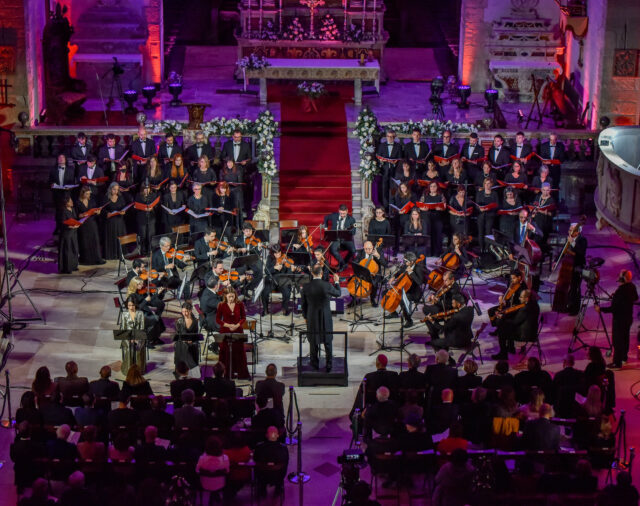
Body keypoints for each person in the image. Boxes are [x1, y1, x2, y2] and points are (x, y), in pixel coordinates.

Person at [595, 269, 638, 368]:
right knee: (625, 338)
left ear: (623, 279)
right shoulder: (631, 287)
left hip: (619, 320)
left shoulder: (620, 291)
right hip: (628, 318)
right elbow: (635, 298)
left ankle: (616, 363)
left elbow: (613, 309)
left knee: (617, 341)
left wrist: (600, 309)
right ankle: (624, 358)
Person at [301, 265, 342, 372]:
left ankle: (314, 364)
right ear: (321, 273)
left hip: (312, 317)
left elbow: (303, 305)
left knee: (313, 341)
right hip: (326, 317)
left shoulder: (306, 287)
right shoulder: (327, 285)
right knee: (327, 341)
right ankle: (329, 365)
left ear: (312, 273)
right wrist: (337, 282)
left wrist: (306, 317)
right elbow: (338, 293)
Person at [492, 289, 540, 359]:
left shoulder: (525, 308)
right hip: (532, 331)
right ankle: (511, 348)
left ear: (527, 298)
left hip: (525, 334)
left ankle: (503, 354)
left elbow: (515, 322)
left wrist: (502, 317)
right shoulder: (534, 304)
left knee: (501, 330)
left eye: (521, 297)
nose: (519, 298)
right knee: (506, 326)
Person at [383, 251, 426, 328]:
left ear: (412, 262)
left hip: (413, 292)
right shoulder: (406, 265)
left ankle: (409, 320)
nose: (404, 262)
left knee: (402, 300)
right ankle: (393, 312)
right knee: (385, 292)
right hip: (403, 289)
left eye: (406, 261)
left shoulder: (418, 268)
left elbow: (420, 282)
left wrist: (411, 273)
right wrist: (393, 277)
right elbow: (399, 272)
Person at [427, 293, 474, 360]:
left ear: (459, 304)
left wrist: (432, 321)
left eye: (453, 304)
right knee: (446, 334)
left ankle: (448, 359)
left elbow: (443, 328)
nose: (452, 305)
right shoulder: (470, 310)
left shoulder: (456, 317)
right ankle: (445, 347)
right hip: (467, 338)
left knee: (433, 342)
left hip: (457, 341)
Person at [216, 287, 249, 379]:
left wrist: (237, 325)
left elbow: (243, 318)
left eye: (233, 296)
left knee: (239, 352)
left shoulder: (240, 304)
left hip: (238, 329)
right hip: (225, 330)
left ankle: (241, 373)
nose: (231, 298)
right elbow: (218, 319)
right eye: (229, 297)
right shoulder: (221, 305)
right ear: (225, 296)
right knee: (226, 352)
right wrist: (228, 325)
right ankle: (227, 373)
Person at [349, 240, 387, 306]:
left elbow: (385, 264)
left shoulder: (379, 252)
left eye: (369, 249)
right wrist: (359, 265)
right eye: (366, 249)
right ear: (364, 248)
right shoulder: (361, 252)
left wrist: (378, 256)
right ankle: (354, 299)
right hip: (363, 273)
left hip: (374, 274)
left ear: (373, 247)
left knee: (374, 283)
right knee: (352, 281)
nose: (368, 250)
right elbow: (355, 262)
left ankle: (372, 299)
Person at [254, 426, 289, 498]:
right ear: (278, 435)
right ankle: (278, 489)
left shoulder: (259, 447)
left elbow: (255, 460)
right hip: (278, 476)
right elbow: (286, 462)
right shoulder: (283, 448)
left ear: (266, 435)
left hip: (262, 476)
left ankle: (262, 490)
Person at [75, 186, 105, 265]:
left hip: (92, 223)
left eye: (89, 194)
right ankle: (86, 259)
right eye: (87, 194)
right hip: (84, 225)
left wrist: (98, 213)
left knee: (94, 240)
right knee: (85, 241)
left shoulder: (92, 201)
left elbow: (95, 212)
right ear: (82, 194)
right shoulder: (78, 202)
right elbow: (76, 215)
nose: (88, 195)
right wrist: (80, 215)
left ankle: (96, 258)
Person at [196, 436, 229, 505]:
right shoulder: (225, 458)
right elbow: (227, 471)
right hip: (220, 484)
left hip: (205, 484)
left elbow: (197, 470)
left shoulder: (202, 458)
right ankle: (216, 496)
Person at [49, 153, 77, 234]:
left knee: (67, 211)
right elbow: (49, 182)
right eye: (59, 158)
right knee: (58, 212)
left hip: (67, 194)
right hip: (57, 194)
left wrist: (70, 187)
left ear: (65, 159)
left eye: (62, 158)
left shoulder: (71, 170)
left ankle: (68, 226)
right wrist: (51, 185)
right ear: (57, 160)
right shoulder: (53, 170)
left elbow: (73, 182)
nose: (61, 159)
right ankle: (58, 227)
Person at [323, 204, 357, 271]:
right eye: (341, 213)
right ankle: (343, 264)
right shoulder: (334, 216)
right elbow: (326, 218)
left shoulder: (352, 220)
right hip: (335, 237)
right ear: (339, 211)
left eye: (344, 213)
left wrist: (349, 231)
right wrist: (326, 228)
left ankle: (344, 262)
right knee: (332, 250)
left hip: (345, 238)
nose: (342, 215)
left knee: (353, 250)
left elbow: (354, 232)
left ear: (347, 211)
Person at [376, 129, 403, 208]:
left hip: (395, 172)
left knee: (394, 190)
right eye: (388, 136)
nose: (390, 138)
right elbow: (378, 157)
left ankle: (393, 208)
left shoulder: (398, 146)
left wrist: (396, 162)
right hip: (384, 171)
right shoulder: (382, 146)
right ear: (386, 137)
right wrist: (380, 161)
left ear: (394, 137)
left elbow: (401, 158)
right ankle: (385, 208)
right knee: (384, 190)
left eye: (392, 137)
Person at [419, 180, 446, 256]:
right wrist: (424, 208)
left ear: (437, 187)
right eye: (431, 186)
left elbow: (444, 206)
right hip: (427, 217)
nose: (432, 188)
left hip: (437, 218)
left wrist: (441, 208)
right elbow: (420, 205)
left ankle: (436, 252)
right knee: (428, 235)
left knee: (437, 235)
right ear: (429, 187)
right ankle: (428, 252)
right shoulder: (425, 194)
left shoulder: (441, 195)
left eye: (434, 186)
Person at [173, 302, 201, 376]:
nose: (184, 313)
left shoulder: (195, 321)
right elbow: (178, 335)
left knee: (190, 347)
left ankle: (185, 371)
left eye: (186, 311)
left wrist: (191, 340)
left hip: (191, 342)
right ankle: (193, 371)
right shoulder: (179, 321)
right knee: (185, 347)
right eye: (183, 311)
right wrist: (184, 340)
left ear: (190, 310)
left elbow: (196, 334)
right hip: (181, 342)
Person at [103, 182, 129, 260]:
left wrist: (123, 212)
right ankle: (112, 254)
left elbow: (124, 207)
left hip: (119, 221)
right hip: (110, 222)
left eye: (117, 190)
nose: (116, 191)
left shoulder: (120, 197)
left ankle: (120, 254)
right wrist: (107, 213)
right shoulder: (106, 198)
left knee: (119, 237)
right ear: (110, 189)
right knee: (112, 237)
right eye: (114, 189)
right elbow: (103, 209)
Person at [134, 183, 158, 255]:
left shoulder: (153, 195)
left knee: (151, 234)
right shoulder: (138, 196)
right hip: (142, 218)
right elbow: (136, 206)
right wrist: (137, 207)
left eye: (148, 188)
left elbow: (156, 205)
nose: (146, 190)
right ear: (142, 189)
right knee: (143, 235)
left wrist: (153, 208)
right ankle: (143, 251)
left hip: (151, 217)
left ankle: (151, 250)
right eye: (145, 189)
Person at [475, 177, 499, 252]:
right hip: (481, 215)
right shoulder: (479, 193)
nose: (487, 185)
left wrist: (489, 208)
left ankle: (487, 248)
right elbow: (476, 205)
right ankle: (481, 248)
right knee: (480, 232)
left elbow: (497, 205)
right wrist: (480, 209)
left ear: (491, 184)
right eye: (486, 183)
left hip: (490, 215)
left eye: (489, 184)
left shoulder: (494, 194)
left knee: (488, 232)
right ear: (484, 184)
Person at [58, 196, 80, 274]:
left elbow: (75, 218)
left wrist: (78, 223)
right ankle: (67, 268)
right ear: (66, 203)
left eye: (71, 201)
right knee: (68, 250)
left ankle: (74, 266)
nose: (72, 202)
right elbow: (62, 223)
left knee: (74, 249)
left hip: (73, 233)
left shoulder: (73, 209)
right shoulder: (63, 211)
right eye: (70, 201)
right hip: (67, 234)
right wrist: (70, 226)